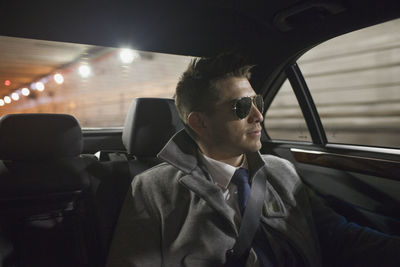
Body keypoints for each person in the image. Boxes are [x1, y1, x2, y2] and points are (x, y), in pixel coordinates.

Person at [106, 54, 400, 267]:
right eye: (242, 106)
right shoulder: (152, 188)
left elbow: (339, 235)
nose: (259, 115)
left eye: (257, 102)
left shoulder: (281, 171)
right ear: (200, 123)